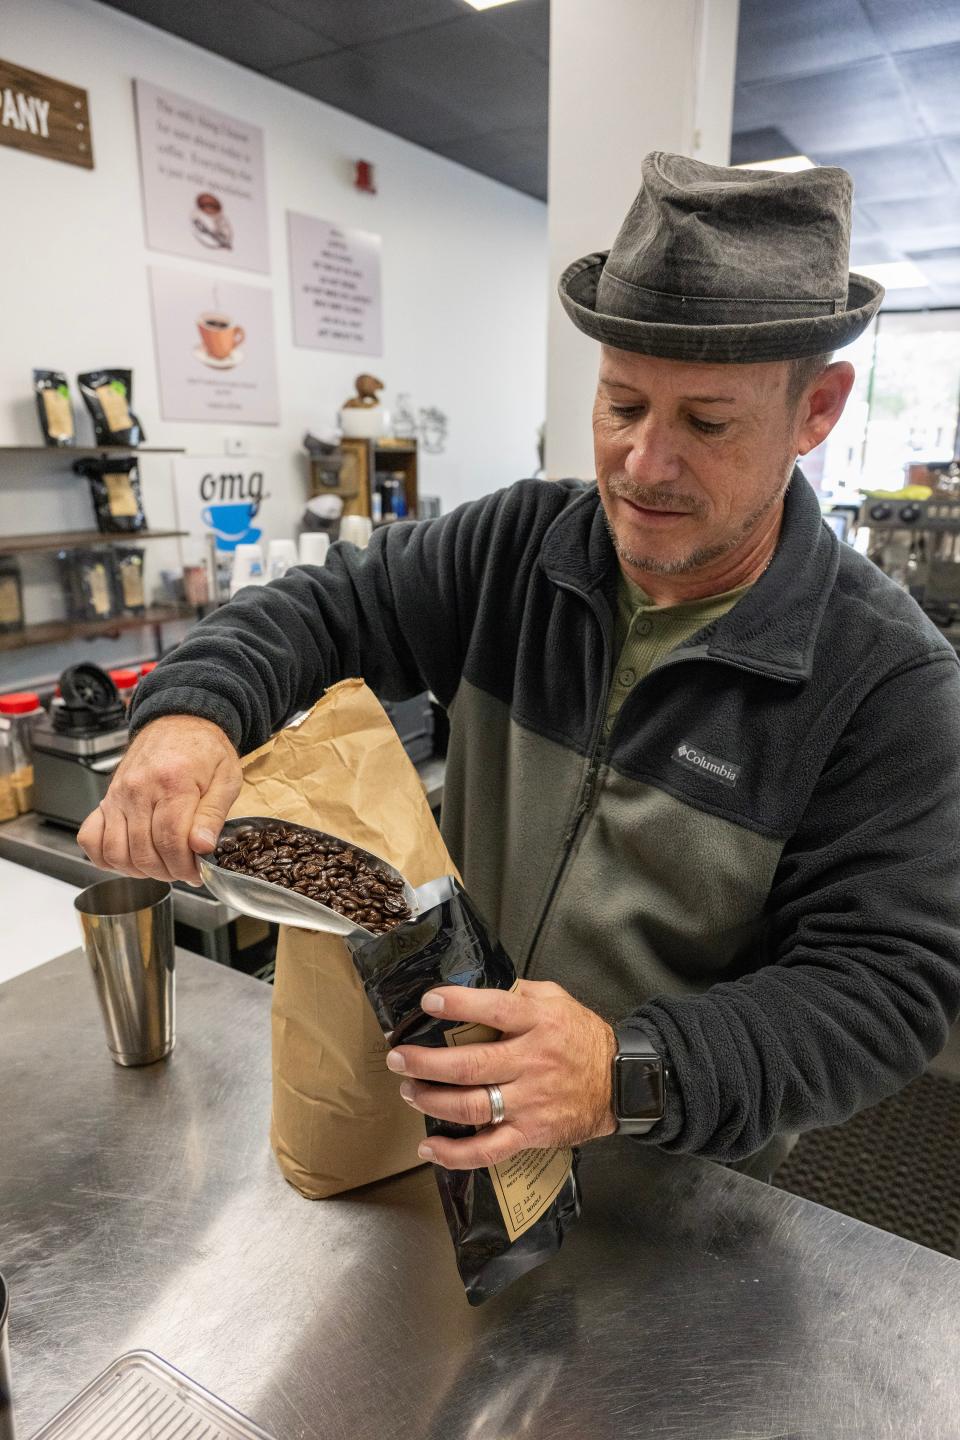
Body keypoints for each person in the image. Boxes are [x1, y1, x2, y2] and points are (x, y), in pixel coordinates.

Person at [80, 153, 960, 1182]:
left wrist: (624, 1071)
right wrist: (193, 714)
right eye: (623, 404)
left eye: (707, 424)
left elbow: (883, 988)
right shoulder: (519, 548)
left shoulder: (888, 685)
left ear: (817, 412)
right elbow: (324, 605)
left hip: (672, 1183)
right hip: (450, 1154)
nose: (643, 464)